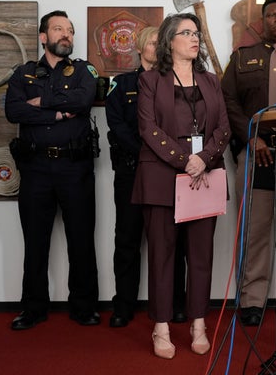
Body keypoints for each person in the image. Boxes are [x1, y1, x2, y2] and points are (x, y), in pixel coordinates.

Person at [130, 13, 230, 359]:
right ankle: (161, 328)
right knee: (162, 256)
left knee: (201, 257)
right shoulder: (149, 80)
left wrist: (203, 158)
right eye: (186, 32)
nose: (194, 38)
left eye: (196, 32)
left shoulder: (210, 80)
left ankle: (198, 324)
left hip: (204, 176)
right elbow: (148, 128)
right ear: (169, 40)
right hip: (161, 178)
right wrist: (184, 159)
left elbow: (223, 128)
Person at [5, 10, 100, 330]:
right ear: (43, 36)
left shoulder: (85, 69)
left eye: (70, 31)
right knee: (35, 242)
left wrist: (39, 102)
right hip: (36, 169)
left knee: (81, 240)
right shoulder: (24, 73)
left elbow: (84, 100)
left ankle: (84, 307)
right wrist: (59, 113)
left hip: (75, 167)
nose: (67, 35)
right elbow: (13, 110)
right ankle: (33, 309)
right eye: (59, 29)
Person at [221, 0, 276, 326]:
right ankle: (253, 300)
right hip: (255, 153)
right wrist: (250, 137)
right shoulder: (242, 58)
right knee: (254, 230)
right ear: (262, 21)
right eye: (271, 14)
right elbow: (226, 100)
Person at [106, 26, 188, 328]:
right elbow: (117, 124)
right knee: (127, 239)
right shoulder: (123, 83)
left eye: (162, 43)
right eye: (153, 43)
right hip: (132, 171)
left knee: (172, 243)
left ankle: (175, 303)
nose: (158, 47)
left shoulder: (177, 82)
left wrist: (163, 156)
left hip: (169, 173)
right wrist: (148, 153)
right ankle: (123, 306)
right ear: (140, 48)